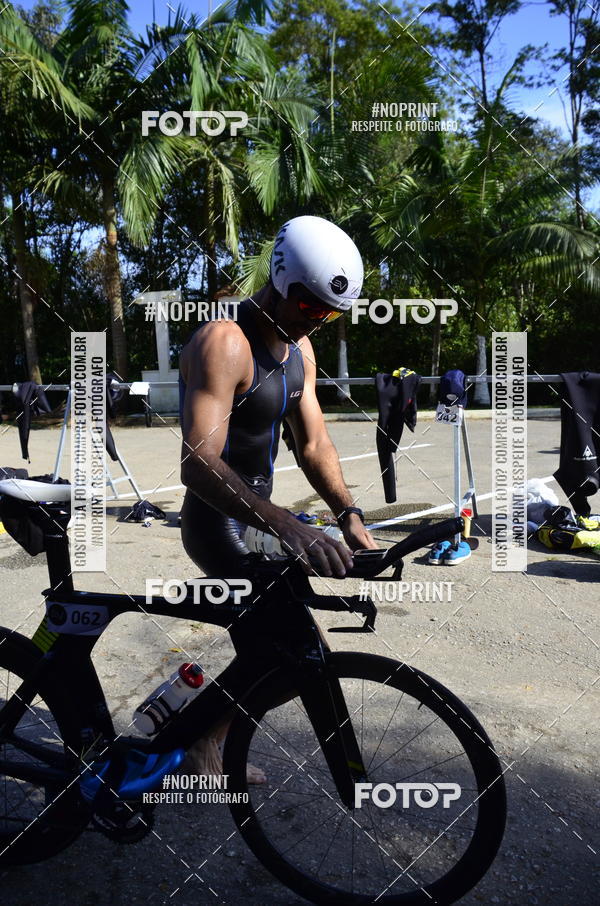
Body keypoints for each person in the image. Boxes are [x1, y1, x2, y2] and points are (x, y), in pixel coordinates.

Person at [178, 215, 378, 780]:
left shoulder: (300, 351)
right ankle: (196, 741)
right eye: (307, 306)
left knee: (289, 653)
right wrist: (288, 525)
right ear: (278, 277)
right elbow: (197, 462)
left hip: (260, 518)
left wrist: (349, 514)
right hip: (216, 520)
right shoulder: (225, 342)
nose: (313, 320)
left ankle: (202, 737)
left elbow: (313, 444)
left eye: (327, 313)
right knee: (289, 651)